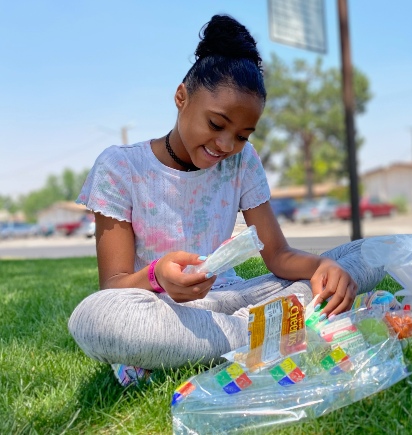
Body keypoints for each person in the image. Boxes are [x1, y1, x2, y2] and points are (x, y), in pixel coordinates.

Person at [68, 14, 385, 386]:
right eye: (217, 125)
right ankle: (277, 326)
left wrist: (318, 269)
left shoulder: (241, 163)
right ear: (181, 97)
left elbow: (278, 256)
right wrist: (157, 277)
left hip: (233, 298)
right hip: (162, 308)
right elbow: (115, 286)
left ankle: (260, 327)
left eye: (242, 136)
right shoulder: (120, 166)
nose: (226, 146)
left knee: (366, 256)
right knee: (97, 318)